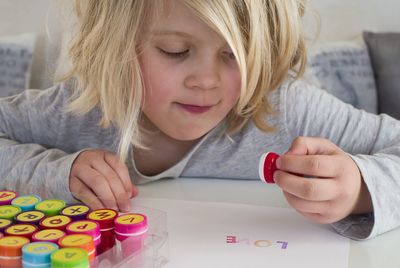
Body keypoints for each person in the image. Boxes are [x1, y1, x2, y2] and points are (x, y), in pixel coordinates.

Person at [0, 0, 399, 241]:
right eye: (175, 51)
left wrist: (360, 188)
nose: (206, 81)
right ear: (115, 45)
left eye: (233, 56)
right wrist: (56, 173)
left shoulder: (287, 110)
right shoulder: (77, 110)